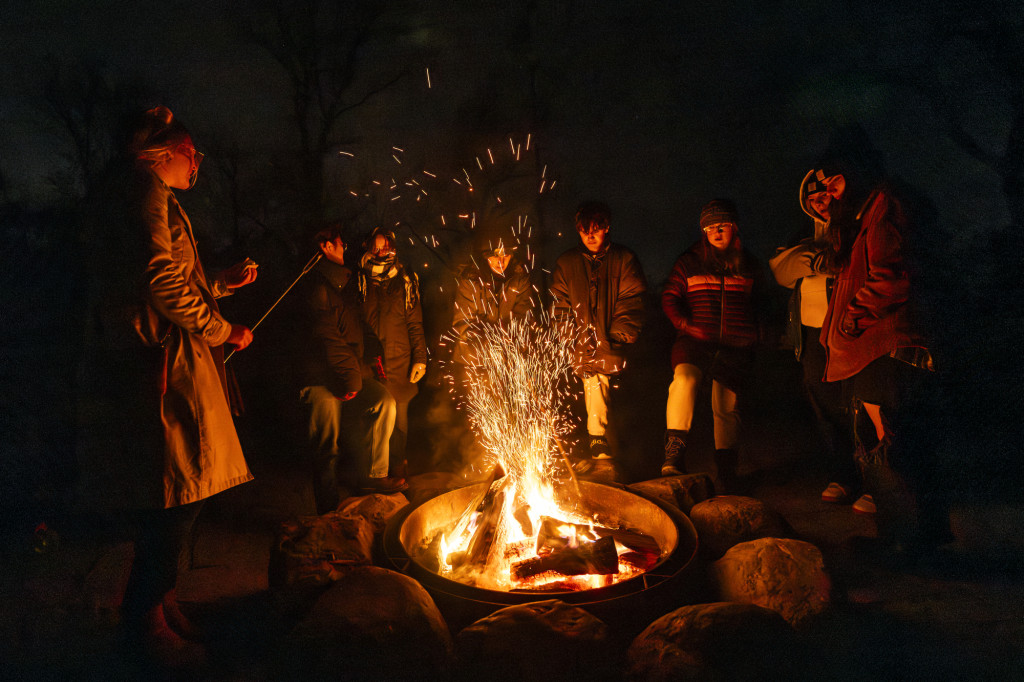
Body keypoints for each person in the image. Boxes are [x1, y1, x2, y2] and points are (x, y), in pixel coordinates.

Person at [77, 106, 257, 665]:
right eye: (191, 150)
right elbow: (159, 282)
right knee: (176, 495)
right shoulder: (145, 192)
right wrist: (223, 330)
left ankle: (163, 603)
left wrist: (217, 285)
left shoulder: (146, 194)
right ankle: (145, 622)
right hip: (166, 362)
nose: (196, 159)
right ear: (164, 153)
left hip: (170, 354)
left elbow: (171, 278)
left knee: (185, 490)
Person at [811, 159, 944, 546]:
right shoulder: (868, 215)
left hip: (882, 343)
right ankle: (918, 538)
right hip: (875, 345)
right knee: (894, 439)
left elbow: (891, 276)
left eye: (835, 185)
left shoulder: (884, 208)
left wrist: (852, 318)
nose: (830, 197)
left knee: (889, 443)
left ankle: (906, 542)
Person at [660, 199, 766, 494]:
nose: (716, 232)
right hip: (695, 340)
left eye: (722, 226)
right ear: (703, 232)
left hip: (735, 344)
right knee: (684, 380)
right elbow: (670, 296)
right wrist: (683, 324)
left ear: (734, 228)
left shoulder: (749, 264)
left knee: (726, 403)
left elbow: (763, 304)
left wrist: (758, 334)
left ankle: (727, 471)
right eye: (710, 228)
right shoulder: (689, 261)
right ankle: (673, 456)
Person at [300, 224, 407, 515]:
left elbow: (358, 326)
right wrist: (351, 378)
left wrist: (374, 352)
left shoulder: (342, 283)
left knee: (384, 402)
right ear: (325, 247)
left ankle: (374, 476)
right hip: (320, 379)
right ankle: (328, 510)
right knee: (326, 446)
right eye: (339, 243)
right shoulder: (316, 287)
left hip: (349, 373)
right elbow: (327, 337)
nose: (344, 246)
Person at [770, 174, 859, 508]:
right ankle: (843, 474)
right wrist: (819, 259)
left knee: (857, 401)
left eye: (825, 198)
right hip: (811, 333)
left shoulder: (854, 229)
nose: (821, 206)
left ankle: (873, 478)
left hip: (849, 330)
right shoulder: (804, 236)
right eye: (814, 202)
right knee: (823, 402)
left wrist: (817, 260)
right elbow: (781, 268)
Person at [550, 201, 647, 468]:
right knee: (594, 380)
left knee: (619, 397)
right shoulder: (567, 263)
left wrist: (617, 337)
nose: (590, 236)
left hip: (617, 343)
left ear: (607, 228)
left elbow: (632, 300)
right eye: (584, 231)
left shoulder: (623, 259)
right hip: (581, 346)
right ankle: (598, 442)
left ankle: (622, 450)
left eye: (596, 229)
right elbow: (560, 305)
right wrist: (571, 338)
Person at [357, 227, 427, 476]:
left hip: (399, 360)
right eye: (376, 247)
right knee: (372, 418)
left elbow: (414, 323)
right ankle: (373, 473)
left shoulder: (405, 280)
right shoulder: (358, 279)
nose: (381, 251)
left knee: (399, 420)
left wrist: (420, 358)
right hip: (368, 363)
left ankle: (396, 468)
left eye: (385, 246)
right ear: (368, 247)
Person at [450, 240, 536, 369]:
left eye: (505, 256)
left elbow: (524, 319)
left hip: (510, 360)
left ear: (511, 255)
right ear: (486, 255)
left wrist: (514, 346)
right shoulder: (470, 281)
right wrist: (493, 346)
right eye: (495, 256)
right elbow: (464, 324)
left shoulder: (520, 279)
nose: (500, 262)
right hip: (474, 362)